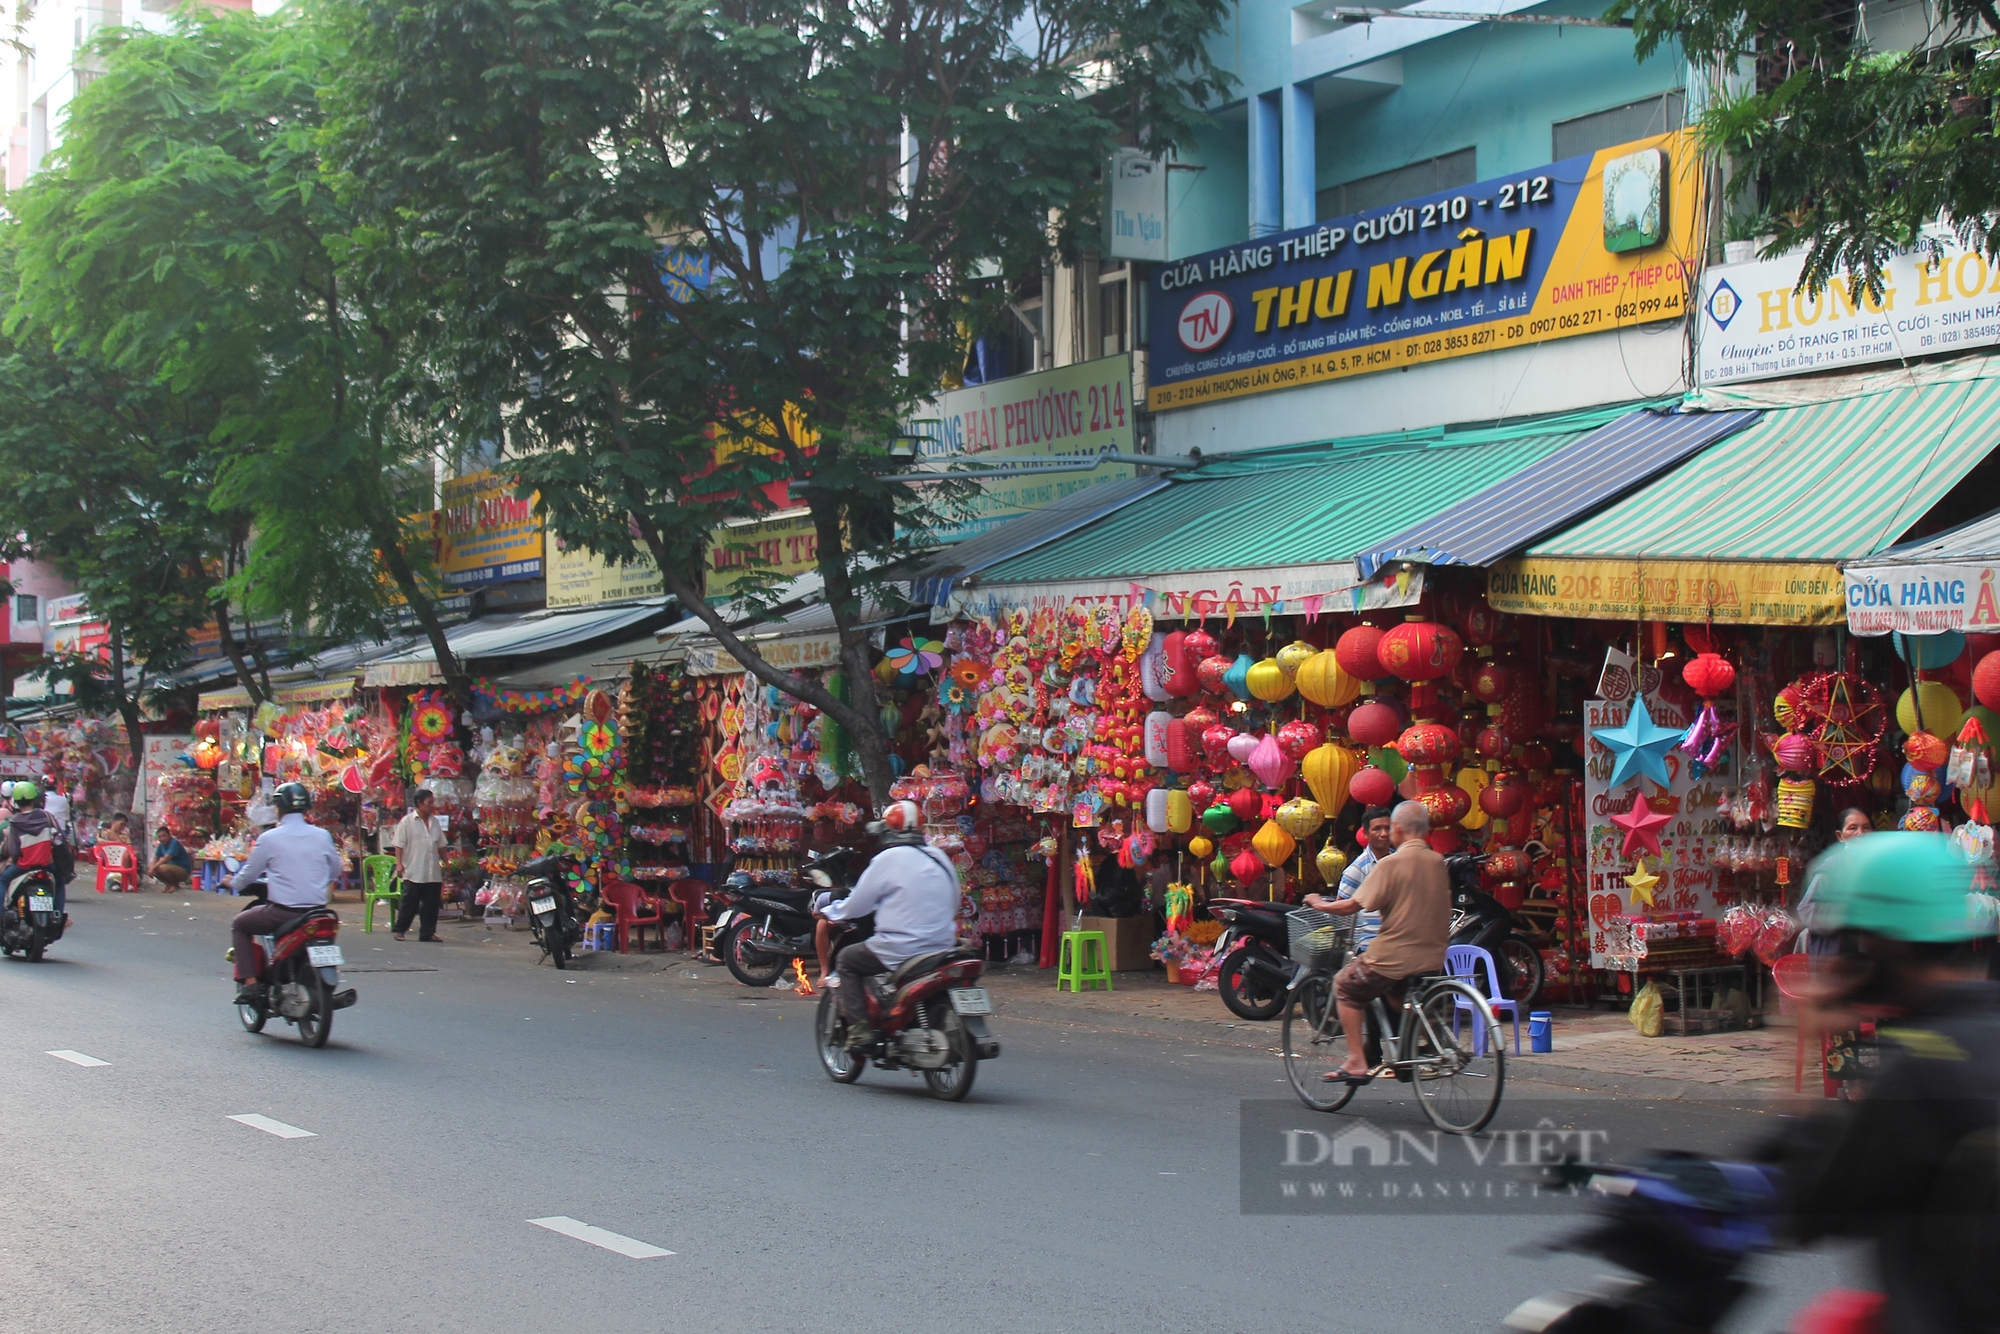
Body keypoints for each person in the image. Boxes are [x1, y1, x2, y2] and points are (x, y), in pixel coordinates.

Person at [1774, 831, 2000, 1333]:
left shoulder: (1916, 1072)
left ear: (1883, 945)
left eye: (1853, 944)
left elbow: (1808, 1203)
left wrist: (1803, 1038)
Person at [1311, 800, 1451, 1081]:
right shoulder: (1437, 862)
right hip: (1433, 956)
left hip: (1394, 955)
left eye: (1389, 828)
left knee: (1344, 986)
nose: (1386, 834)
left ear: (1397, 829)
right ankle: (1406, 1050)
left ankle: (1355, 1061)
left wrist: (1319, 903)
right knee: (1395, 994)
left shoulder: (1390, 863)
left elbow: (1352, 905)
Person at [816, 799, 959, 1050]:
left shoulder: (887, 859)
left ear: (889, 831)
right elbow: (955, 899)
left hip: (900, 947)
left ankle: (860, 1032)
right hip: (943, 945)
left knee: (848, 960)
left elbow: (857, 905)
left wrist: (832, 913)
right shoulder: (939, 856)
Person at [227, 781, 344, 1005]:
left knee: (240, 924)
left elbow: (249, 873)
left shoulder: (270, 838)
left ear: (279, 808)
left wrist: (233, 883)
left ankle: (251, 984)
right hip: (318, 912)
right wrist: (320, 881)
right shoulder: (322, 836)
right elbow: (336, 869)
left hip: (283, 913)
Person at [1302, 804, 1392, 954]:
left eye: (1388, 828)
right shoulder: (1357, 869)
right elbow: (1342, 907)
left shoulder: (1398, 860)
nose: (1384, 833)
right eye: (1377, 829)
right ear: (1365, 833)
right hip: (1368, 945)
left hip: (1394, 941)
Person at [0, 781, 73, 918]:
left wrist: (15, 861)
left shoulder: (15, 822)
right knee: (60, 881)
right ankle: (58, 914)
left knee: (3, 880)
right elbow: (59, 839)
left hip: (24, 865)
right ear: (34, 799)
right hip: (47, 864)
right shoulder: (47, 816)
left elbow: (14, 850)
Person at [388, 788, 445, 942]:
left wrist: (446, 862)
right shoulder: (407, 822)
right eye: (429, 803)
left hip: (432, 870)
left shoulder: (435, 822)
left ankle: (427, 933)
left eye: (433, 802)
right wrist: (399, 864)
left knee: (431, 905)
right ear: (419, 803)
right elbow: (399, 845)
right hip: (414, 869)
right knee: (410, 903)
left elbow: (441, 845)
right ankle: (400, 930)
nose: (432, 806)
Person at [148, 823, 193, 890]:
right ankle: (168, 885)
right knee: (152, 867)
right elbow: (156, 857)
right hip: (171, 868)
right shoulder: (161, 845)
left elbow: (167, 857)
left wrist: (153, 868)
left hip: (183, 870)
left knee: (161, 868)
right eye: (160, 837)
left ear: (169, 835)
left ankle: (174, 885)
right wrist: (151, 867)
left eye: (164, 836)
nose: (162, 839)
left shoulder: (174, 843)